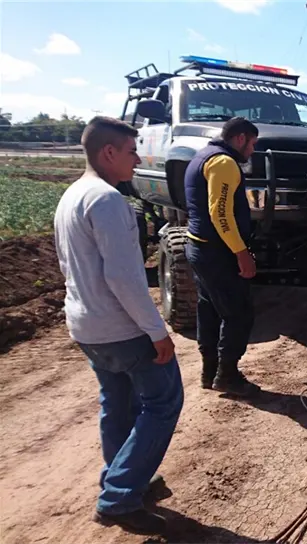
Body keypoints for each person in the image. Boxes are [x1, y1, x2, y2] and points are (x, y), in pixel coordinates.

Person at [54, 116, 183, 535]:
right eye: (132, 152)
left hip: (87, 325)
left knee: (119, 404)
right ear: (108, 152)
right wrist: (157, 332)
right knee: (163, 403)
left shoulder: (72, 195)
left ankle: (125, 477)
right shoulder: (109, 202)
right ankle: (120, 497)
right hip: (121, 328)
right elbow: (125, 278)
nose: (137, 160)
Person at [184, 117, 261, 397]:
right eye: (252, 144)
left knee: (209, 309)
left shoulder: (201, 157)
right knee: (238, 313)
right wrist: (241, 253)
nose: (252, 150)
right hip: (218, 252)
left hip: (199, 247)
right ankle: (228, 375)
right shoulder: (224, 163)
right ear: (240, 138)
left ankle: (209, 371)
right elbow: (220, 214)